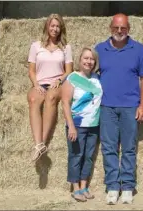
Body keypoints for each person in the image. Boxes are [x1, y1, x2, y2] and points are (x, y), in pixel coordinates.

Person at [95, 13, 143, 205]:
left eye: (123, 28)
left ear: (129, 28)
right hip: (106, 106)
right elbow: (89, 75)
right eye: (116, 27)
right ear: (110, 27)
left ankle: (127, 186)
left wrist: (142, 105)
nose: (120, 31)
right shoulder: (99, 49)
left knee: (128, 148)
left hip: (130, 106)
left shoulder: (139, 49)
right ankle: (112, 186)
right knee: (109, 148)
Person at [27, 14, 73, 162]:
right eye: (52, 25)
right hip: (40, 82)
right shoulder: (36, 46)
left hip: (57, 83)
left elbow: (69, 71)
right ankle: (38, 144)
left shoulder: (66, 48)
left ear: (61, 28)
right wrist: (36, 84)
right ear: (47, 26)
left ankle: (43, 143)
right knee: (34, 99)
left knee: (51, 98)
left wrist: (59, 80)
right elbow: (31, 70)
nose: (55, 29)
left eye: (58, 26)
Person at [61, 47, 102, 202]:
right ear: (80, 60)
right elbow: (65, 103)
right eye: (86, 58)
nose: (88, 61)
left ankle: (84, 186)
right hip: (77, 125)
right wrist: (71, 126)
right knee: (76, 156)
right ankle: (75, 188)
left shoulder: (97, 78)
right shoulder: (72, 78)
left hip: (94, 124)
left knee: (88, 156)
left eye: (91, 59)